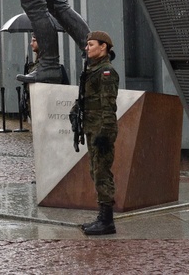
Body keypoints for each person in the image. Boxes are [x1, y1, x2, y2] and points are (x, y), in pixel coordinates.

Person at [76, 31, 119, 236]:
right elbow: (87, 98)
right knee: (95, 171)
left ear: (103, 47)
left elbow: (108, 106)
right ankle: (102, 217)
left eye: (91, 44)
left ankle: (107, 221)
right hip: (92, 128)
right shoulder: (92, 70)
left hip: (101, 130)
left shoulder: (106, 72)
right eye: (87, 44)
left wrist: (105, 132)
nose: (87, 48)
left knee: (102, 173)